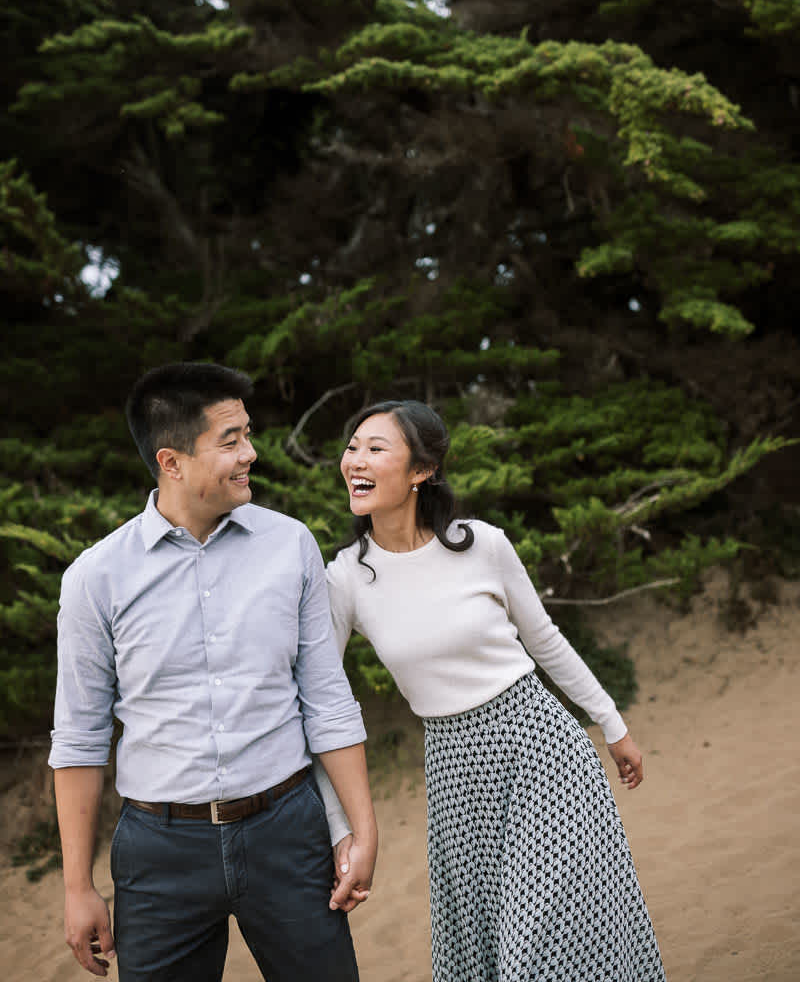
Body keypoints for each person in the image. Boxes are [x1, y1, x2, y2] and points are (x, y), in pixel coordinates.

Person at [49, 362, 378, 982]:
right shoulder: (96, 578)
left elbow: (327, 698)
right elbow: (79, 739)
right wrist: (77, 887)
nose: (250, 453)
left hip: (287, 831)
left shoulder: (291, 546)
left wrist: (360, 830)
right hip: (159, 854)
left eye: (247, 434)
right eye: (230, 441)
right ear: (171, 462)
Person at [322, 398, 666, 981]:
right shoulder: (346, 578)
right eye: (353, 447)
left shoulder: (481, 544)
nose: (356, 459)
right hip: (455, 777)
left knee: (541, 941)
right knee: (492, 945)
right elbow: (324, 707)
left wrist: (613, 725)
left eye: (376, 448)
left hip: (541, 748)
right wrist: (341, 828)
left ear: (421, 470)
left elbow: (545, 640)